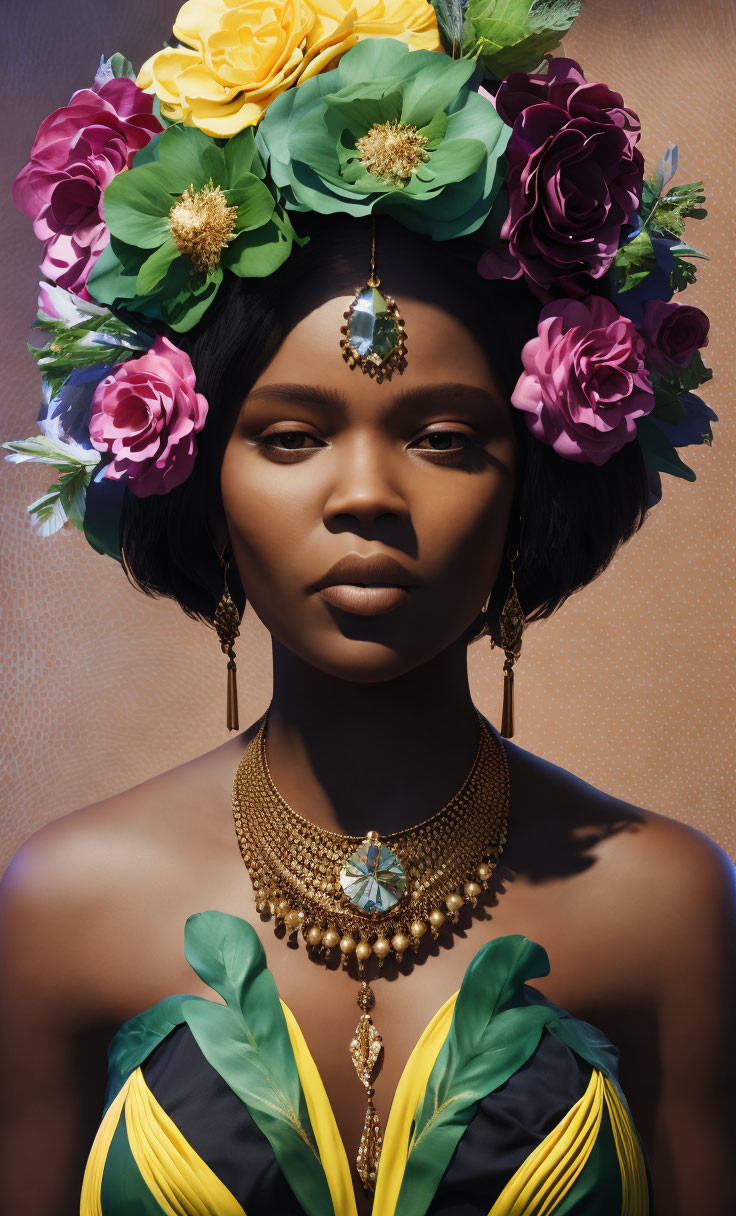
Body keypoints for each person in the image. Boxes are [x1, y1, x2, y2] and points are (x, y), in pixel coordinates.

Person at [1, 7, 734, 1216]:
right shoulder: (68, 907)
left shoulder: (659, 907)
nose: (364, 498)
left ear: (538, 469)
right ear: (190, 465)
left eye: (443, 438)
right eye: (290, 438)